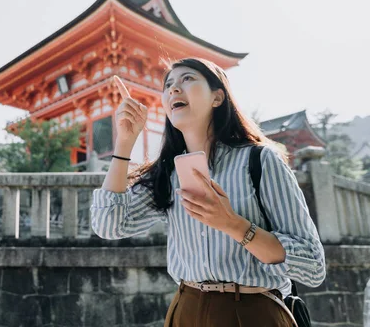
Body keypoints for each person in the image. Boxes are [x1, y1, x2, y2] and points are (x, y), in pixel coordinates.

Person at [90, 58, 325, 326]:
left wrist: (234, 225)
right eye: (168, 85)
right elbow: (109, 226)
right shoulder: (168, 175)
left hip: (254, 311)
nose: (173, 89)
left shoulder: (260, 161)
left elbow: (313, 265)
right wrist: (124, 143)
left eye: (187, 79)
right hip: (186, 310)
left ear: (217, 97)